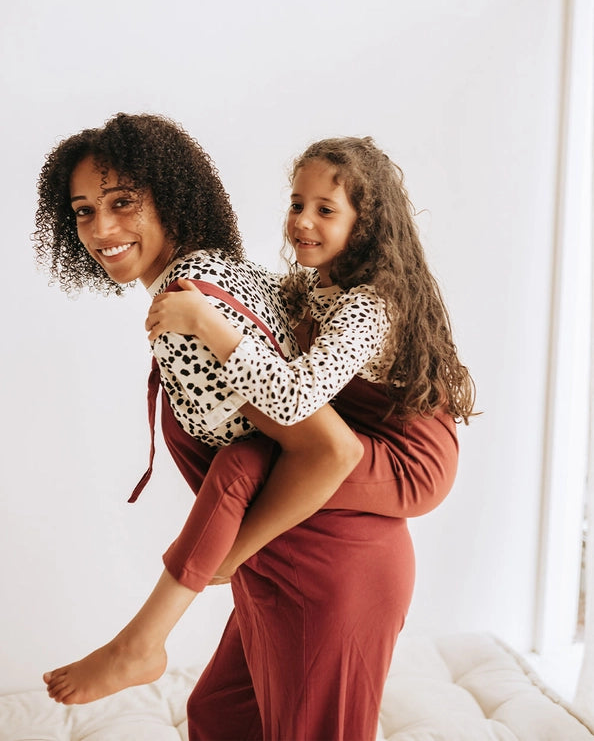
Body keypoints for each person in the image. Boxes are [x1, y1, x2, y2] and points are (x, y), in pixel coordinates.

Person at [35, 116, 474, 740]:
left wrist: (231, 555)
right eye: (83, 210)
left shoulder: (366, 304)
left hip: (404, 473)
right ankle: (148, 635)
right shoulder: (278, 285)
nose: (100, 228)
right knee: (218, 716)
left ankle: (145, 639)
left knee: (244, 464)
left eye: (122, 201)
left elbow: (325, 439)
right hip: (309, 555)